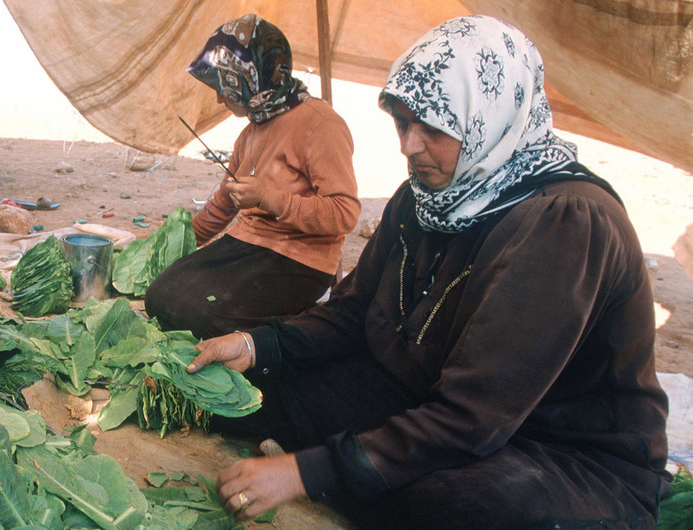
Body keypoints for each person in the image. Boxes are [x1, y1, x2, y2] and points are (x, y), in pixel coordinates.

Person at [188, 15, 669, 528]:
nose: (408, 146)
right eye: (402, 123)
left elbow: (474, 416)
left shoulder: (565, 223)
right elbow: (353, 311)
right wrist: (257, 346)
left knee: (441, 503)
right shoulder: (424, 196)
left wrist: (307, 472)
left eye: (433, 128)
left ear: (487, 119)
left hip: (557, 452)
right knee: (267, 393)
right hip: (426, 397)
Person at [143, 14, 359, 340]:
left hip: (300, 260)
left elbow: (344, 213)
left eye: (225, 86)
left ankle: (296, 329)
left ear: (251, 77)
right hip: (245, 246)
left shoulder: (320, 123)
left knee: (203, 317)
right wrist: (178, 239)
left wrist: (268, 198)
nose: (219, 98)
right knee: (159, 297)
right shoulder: (251, 130)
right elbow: (224, 201)